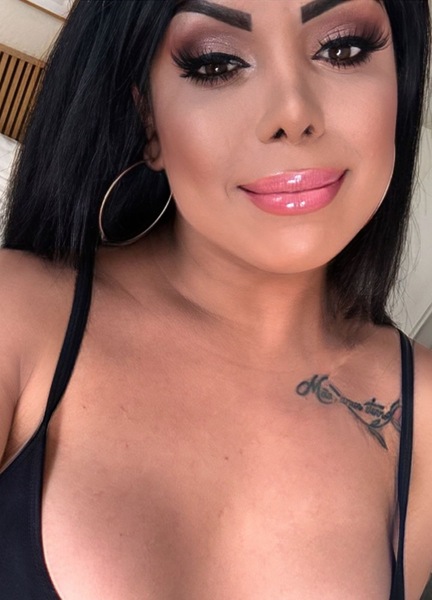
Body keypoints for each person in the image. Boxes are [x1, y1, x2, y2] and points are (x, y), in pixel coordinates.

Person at [0, 0, 431, 598]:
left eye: (342, 49)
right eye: (216, 64)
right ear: (149, 121)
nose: (293, 113)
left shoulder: (423, 416)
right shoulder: (16, 318)